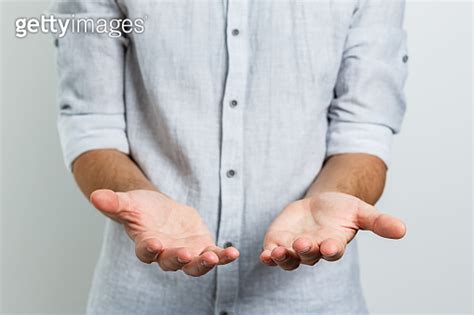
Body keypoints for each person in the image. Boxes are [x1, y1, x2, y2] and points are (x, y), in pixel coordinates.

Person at [52, 0, 408, 314]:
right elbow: (91, 121)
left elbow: (362, 129)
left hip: (312, 299)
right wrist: (136, 196)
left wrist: (331, 198)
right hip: (143, 294)